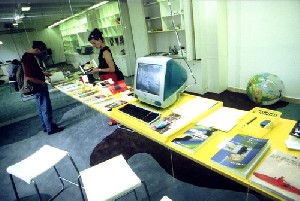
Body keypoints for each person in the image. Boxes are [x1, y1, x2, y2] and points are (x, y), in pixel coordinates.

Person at [21, 41, 63, 135]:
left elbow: (33, 72)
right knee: (45, 108)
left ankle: (46, 126)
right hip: (39, 87)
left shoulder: (27, 56)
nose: (41, 53)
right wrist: (42, 83)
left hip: (37, 87)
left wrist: (43, 74)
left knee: (41, 108)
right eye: (41, 51)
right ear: (37, 49)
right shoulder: (29, 59)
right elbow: (29, 77)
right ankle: (50, 129)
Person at [88, 28, 125, 126]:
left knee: (116, 98)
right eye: (92, 44)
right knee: (112, 97)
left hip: (113, 77)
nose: (94, 46)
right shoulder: (102, 50)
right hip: (108, 77)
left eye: (94, 43)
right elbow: (105, 65)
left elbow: (112, 69)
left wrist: (98, 70)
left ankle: (116, 119)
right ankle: (116, 117)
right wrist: (97, 68)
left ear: (99, 40)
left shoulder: (105, 51)